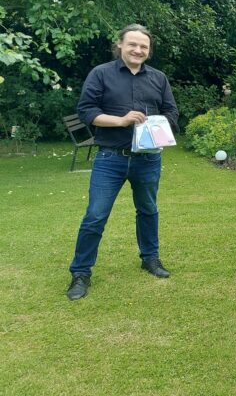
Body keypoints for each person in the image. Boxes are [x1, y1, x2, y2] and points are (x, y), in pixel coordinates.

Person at [66, 24, 179, 300]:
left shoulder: (159, 78)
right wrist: (121, 120)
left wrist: (161, 129)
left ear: (148, 50)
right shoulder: (101, 74)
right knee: (95, 215)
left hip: (148, 160)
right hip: (110, 159)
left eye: (144, 46)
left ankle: (150, 259)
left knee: (148, 210)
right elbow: (86, 111)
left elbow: (171, 111)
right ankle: (81, 273)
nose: (138, 50)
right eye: (133, 44)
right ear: (120, 45)